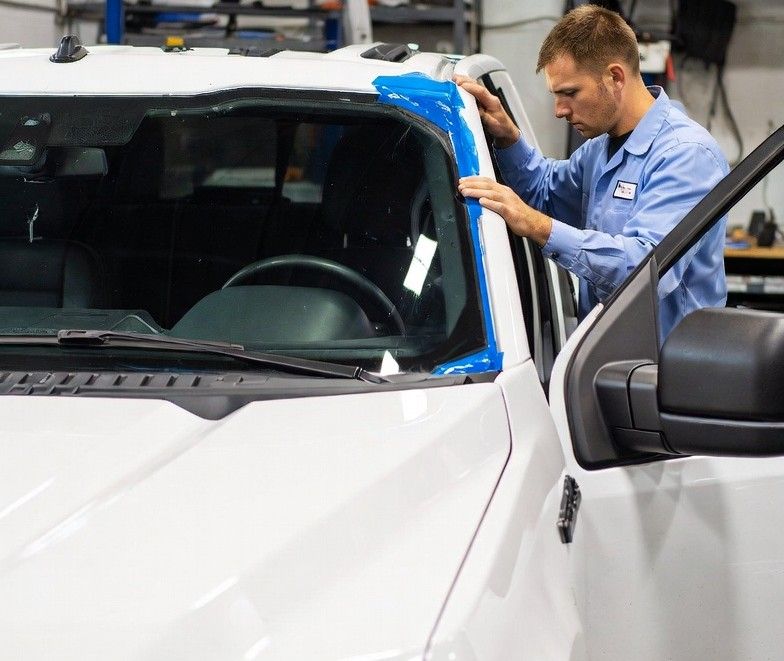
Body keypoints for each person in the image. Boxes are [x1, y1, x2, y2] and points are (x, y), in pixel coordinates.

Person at [456, 4, 728, 339]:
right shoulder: (601, 148)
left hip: (663, 377)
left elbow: (646, 268)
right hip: (600, 362)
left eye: (569, 93)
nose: (559, 111)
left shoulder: (687, 156)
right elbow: (545, 191)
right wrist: (509, 137)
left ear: (615, 77)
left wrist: (538, 226)